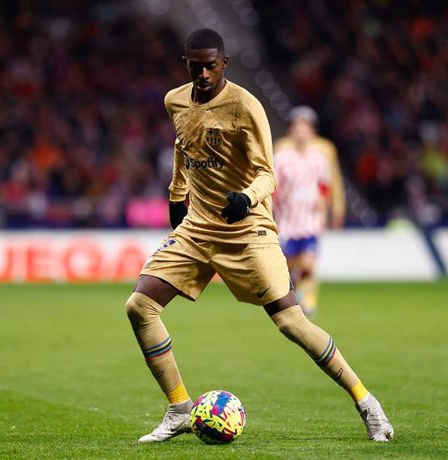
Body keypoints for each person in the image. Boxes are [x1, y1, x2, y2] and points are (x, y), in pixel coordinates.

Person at [125, 28, 393, 443]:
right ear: (186, 65)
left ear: (224, 64)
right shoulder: (174, 100)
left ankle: (366, 402)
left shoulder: (246, 106)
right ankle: (179, 408)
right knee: (140, 306)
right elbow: (183, 146)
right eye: (195, 67)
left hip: (247, 228)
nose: (202, 74)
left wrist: (246, 199)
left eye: (210, 66)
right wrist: (176, 195)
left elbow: (268, 173)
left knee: (291, 322)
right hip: (198, 226)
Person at [272, 106, 335, 317]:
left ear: (312, 131)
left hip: (310, 221)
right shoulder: (281, 158)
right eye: (298, 127)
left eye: (305, 127)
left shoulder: (320, 159)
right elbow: (273, 187)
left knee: (308, 264)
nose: (301, 131)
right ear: (291, 130)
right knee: (289, 266)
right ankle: (295, 297)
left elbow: (325, 186)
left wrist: (323, 207)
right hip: (287, 222)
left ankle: (307, 300)